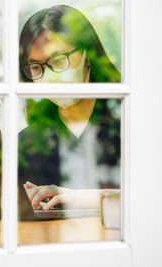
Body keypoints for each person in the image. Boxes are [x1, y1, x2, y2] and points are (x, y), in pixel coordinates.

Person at [18, 5, 121, 211]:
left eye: (58, 60)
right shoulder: (30, 141)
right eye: (36, 67)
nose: (49, 76)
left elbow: (157, 194)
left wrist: (78, 197)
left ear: (88, 56)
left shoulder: (123, 123)